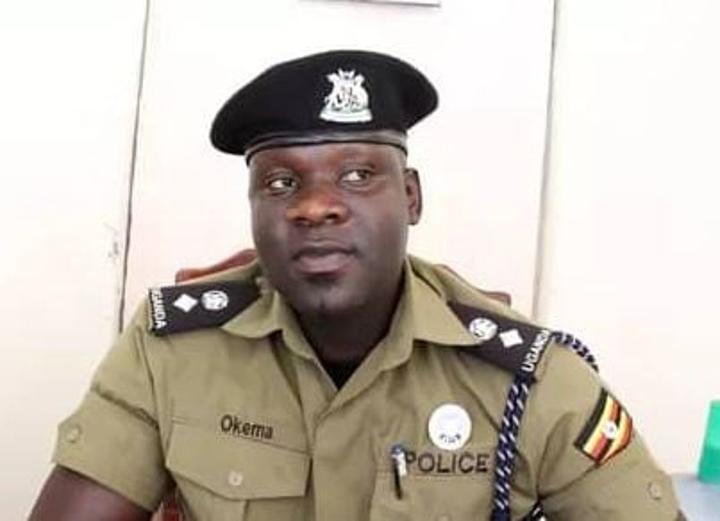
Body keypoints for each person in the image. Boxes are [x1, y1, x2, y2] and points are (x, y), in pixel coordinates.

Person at [30, 50, 683, 521]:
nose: (315, 206)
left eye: (357, 175)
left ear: (411, 197)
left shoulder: (530, 380)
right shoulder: (170, 351)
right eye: (281, 182)